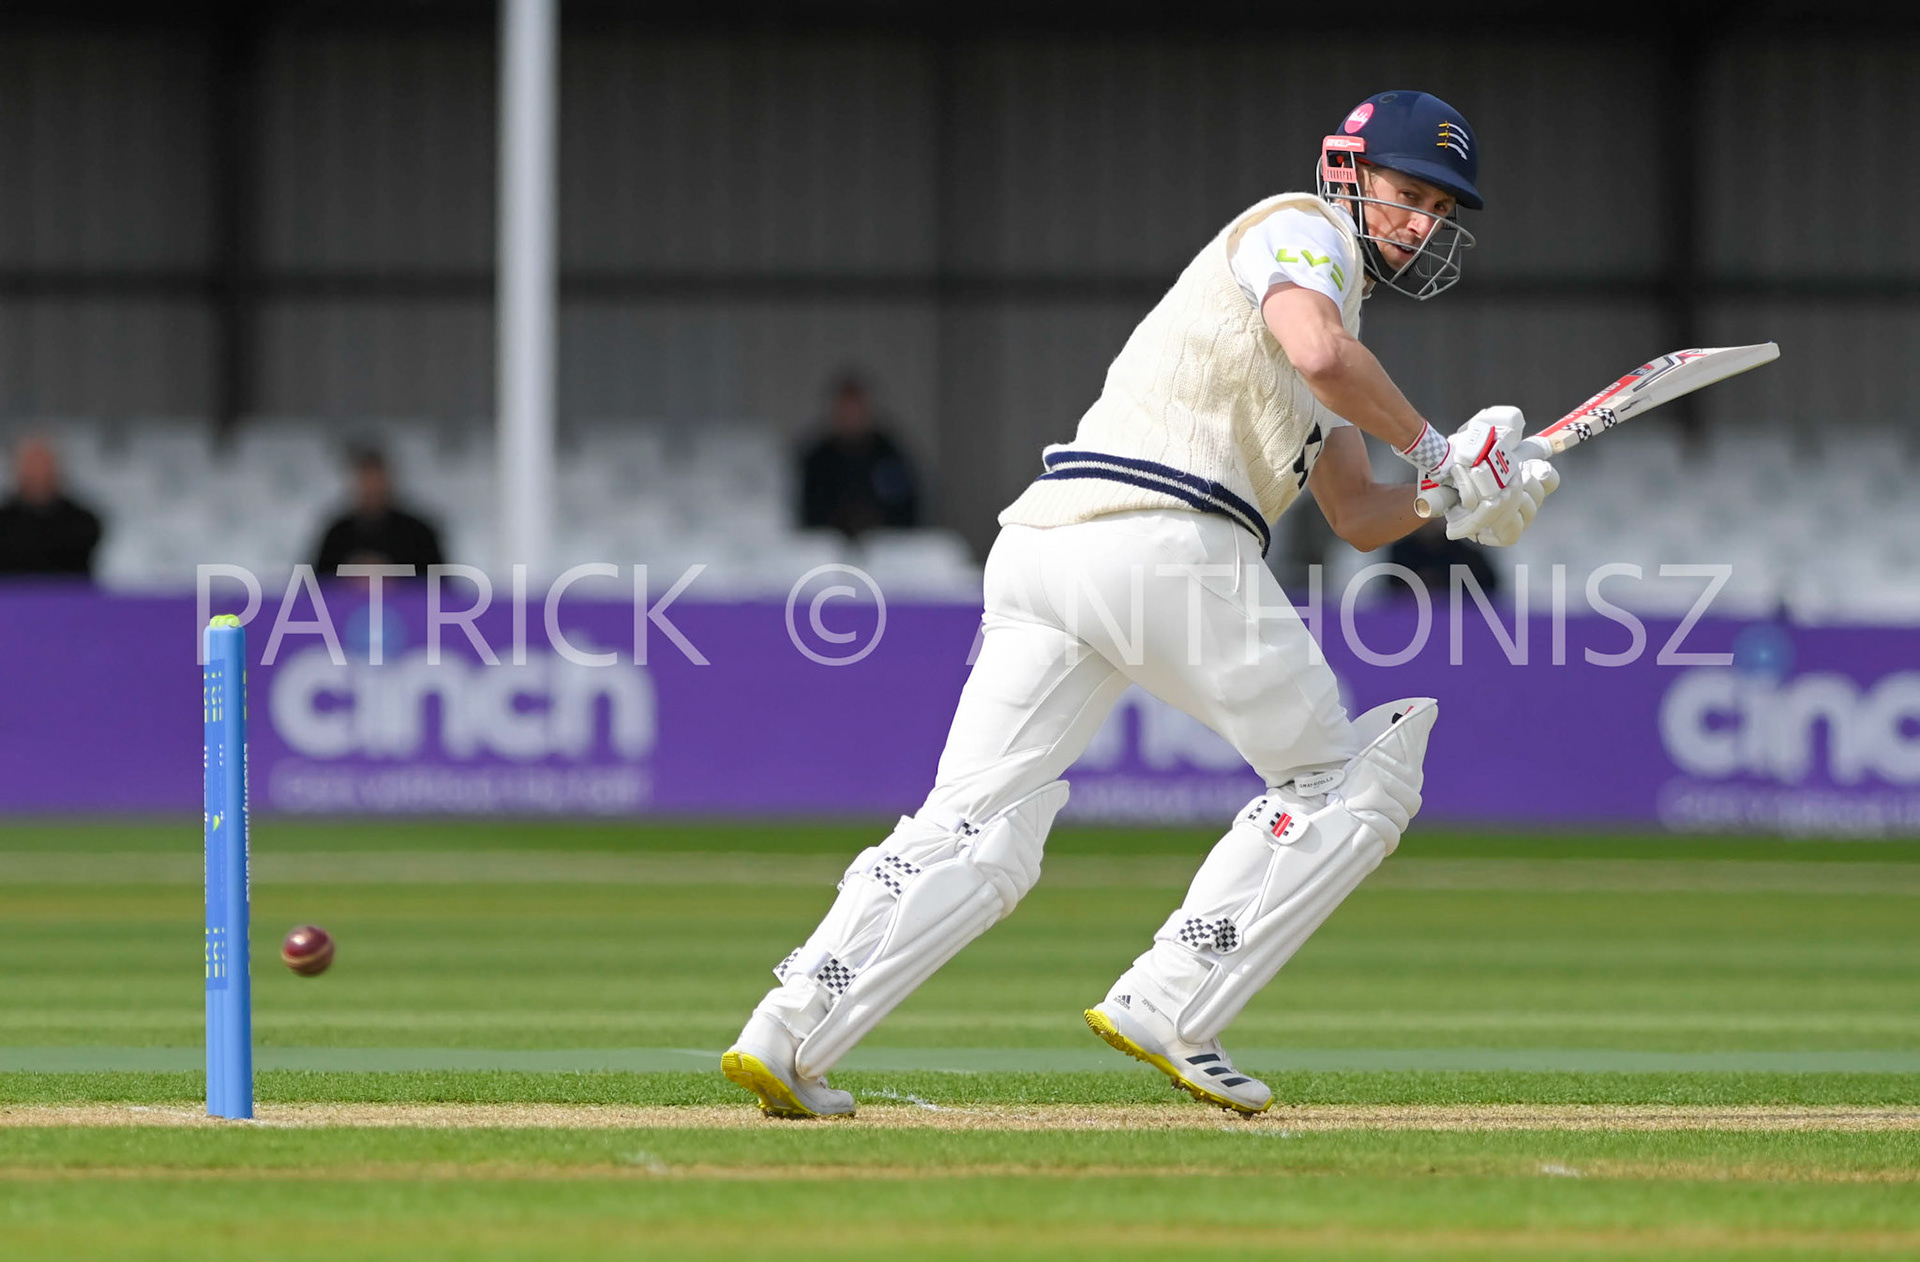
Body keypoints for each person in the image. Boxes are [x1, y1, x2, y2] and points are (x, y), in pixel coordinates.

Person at [723, 90, 1557, 1118]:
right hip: (1165, 542)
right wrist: (1442, 447)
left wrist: (1461, 496)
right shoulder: (1303, 229)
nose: (1421, 222)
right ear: (1348, 172)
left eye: (1440, 207)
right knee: (1348, 778)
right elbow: (1323, 357)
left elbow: (1354, 513)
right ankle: (1172, 996)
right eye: (1407, 192)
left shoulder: (1325, 310)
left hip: (1046, 549)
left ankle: (788, 1027)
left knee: (980, 828)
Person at [797, 373, 920, 537]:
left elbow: (906, 506)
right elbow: (809, 512)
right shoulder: (818, 458)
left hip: (883, 543)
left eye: (856, 409)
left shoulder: (889, 454)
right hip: (832, 547)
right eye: (845, 409)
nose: (851, 417)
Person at [312, 446, 445, 574]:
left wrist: (395, 576)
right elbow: (316, 586)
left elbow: (441, 588)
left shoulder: (419, 534)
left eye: (377, 481)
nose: (372, 488)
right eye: (366, 481)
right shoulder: (337, 535)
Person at [0, 436, 103, 578]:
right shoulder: (4, 523)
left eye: (43, 464)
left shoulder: (83, 523)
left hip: (69, 598)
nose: (38, 472)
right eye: (31, 464)